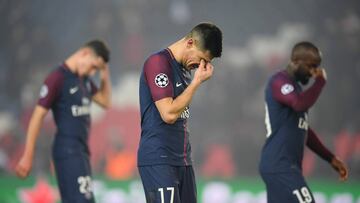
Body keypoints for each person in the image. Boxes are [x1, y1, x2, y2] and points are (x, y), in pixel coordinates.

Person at [15, 40, 111, 203]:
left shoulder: (84, 80)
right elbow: (37, 117)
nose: (93, 71)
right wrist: (28, 154)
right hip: (67, 151)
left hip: (81, 152)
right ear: (85, 53)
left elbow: (104, 101)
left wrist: (104, 72)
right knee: (83, 200)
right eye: (94, 66)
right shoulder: (57, 78)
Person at [138, 22, 222, 203]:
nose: (202, 66)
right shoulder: (158, 63)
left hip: (183, 161)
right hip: (159, 159)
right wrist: (196, 83)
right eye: (202, 59)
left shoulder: (185, 70)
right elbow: (168, 114)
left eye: (207, 62)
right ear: (190, 43)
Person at [259, 41, 349, 203]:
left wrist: (330, 158)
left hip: (286, 167)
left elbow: (304, 129)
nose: (313, 72)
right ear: (295, 61)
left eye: (316, 68)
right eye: (311, 66)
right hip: (280, 166)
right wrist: (320, 82)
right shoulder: (278, 81)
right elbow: (299, 104)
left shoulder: (296, 89)